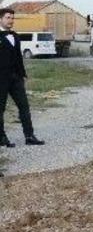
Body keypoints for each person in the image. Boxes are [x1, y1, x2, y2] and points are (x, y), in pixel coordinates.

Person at [0, 8, 45, 147]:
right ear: (0, 19)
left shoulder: (15, 36)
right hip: (1, 79)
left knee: (24, 107)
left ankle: (29, 136)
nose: (11, 20)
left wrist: (23, 74)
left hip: (16, 78)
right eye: (8, 17)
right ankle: (2, 138)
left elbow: (18, 57)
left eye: (12, 18)